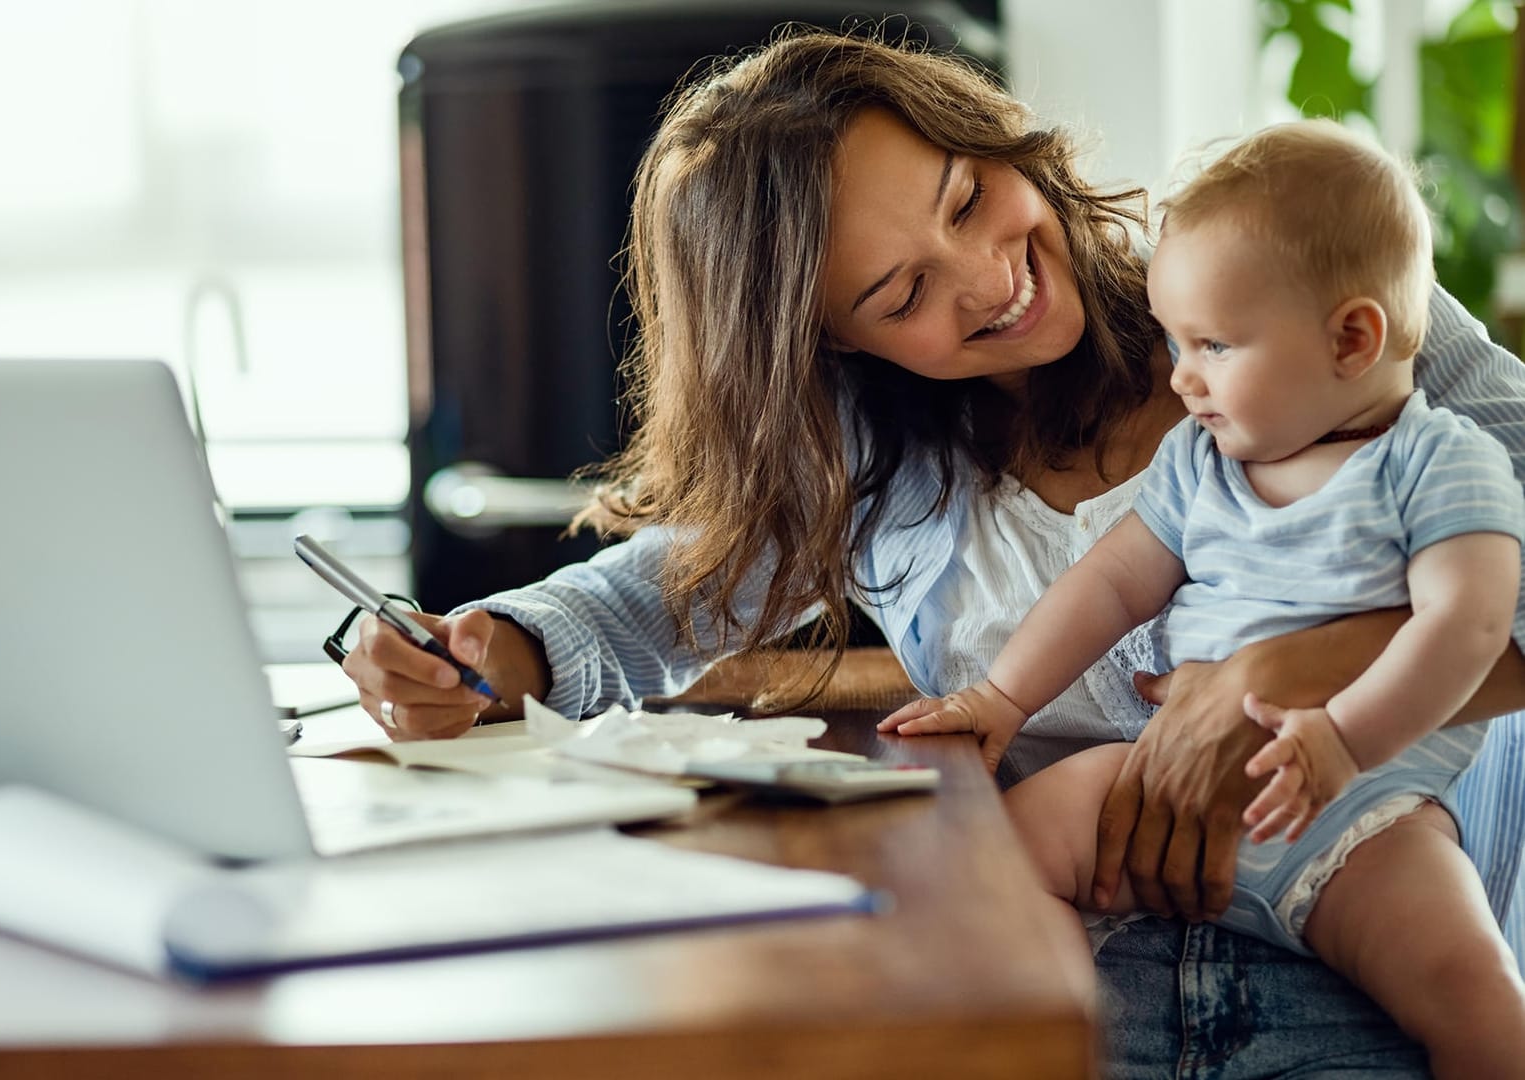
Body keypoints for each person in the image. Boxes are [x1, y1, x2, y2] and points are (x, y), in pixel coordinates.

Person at [341, 27, 1525, 1075]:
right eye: (902, 293)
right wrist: (488, 648)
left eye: (968, 200)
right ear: (831, 342)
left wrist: (1274, 676)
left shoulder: (1298, 294)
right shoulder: (870, 461)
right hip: (1074, 976)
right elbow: (645, 601)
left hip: (1364, 958)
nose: (989, 282)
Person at [878, 119, 1525, 1075]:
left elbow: (1469, 623)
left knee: (1473, 990)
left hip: (1363, 814)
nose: (1180, 377)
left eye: (1213, 345)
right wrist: (1001, 698)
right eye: (1177, 342)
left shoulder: (1437, 463)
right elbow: (1109, 583)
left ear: (1352, 338)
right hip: (1158, 784)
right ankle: (1065, 1045)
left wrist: (1340, 738)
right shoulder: (1202, 460)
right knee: (994, 861)